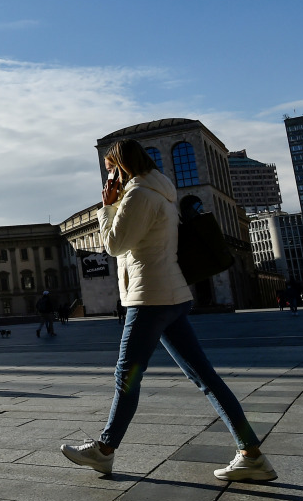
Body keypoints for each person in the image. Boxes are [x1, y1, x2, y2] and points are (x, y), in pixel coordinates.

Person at [61, 138, 277, 482]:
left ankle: (104, 450)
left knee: (126, 376)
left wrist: (106, 207)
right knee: (205, 377)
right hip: (172, 296)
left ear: (122, 166)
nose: (110, 178)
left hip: (149, 297)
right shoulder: (162, 191)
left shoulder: (138, 195)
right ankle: (251, 453)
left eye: (111, 169)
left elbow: (115, 245)